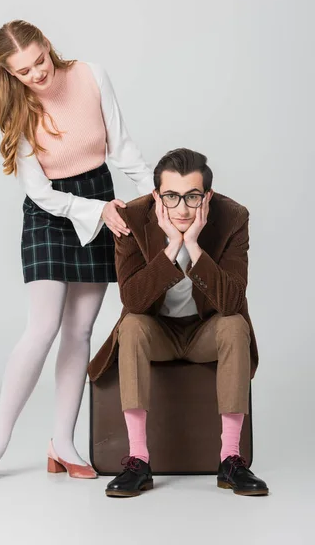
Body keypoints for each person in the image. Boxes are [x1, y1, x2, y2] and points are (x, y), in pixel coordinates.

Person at [0, 19, 154, 483]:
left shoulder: (91, 75)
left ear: (48, 47)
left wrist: (156, 197)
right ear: (11, 74)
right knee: (44, 326)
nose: (37, 76)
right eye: (24, 71)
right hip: (53, 212)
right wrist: (98, 210)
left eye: (39, 62)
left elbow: (122, 147)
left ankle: (62, 443)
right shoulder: (19, 109)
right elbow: (43, 193)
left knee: (81, 330)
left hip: (100, 195)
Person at [87, 148, 269, 497]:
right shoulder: (133, 218)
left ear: (208, 196)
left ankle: (231, 460)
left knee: (234, 325)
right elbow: (134, 300)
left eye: (192, 197)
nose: (182, 208)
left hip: (205, 332)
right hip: (158, 332)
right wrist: (172, 247)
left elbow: (231, 301)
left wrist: (195, 246)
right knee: (132, 325)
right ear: (156, 195)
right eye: (171, 196)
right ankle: (138, 461)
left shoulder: (232, 217)